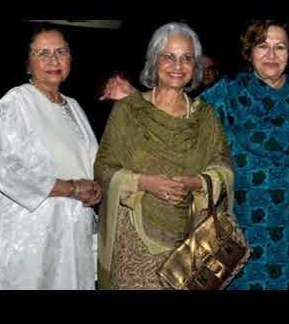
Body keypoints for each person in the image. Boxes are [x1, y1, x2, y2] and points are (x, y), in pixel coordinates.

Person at [101, 19, 289, 290]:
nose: (271, 55)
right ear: (249, 51)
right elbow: (181, 117)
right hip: (236, 232)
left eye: (280, 47)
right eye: (262, 46)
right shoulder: (226, 95)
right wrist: (134, 98)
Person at [94, 22, 234, 290]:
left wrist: (195, 182)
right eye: (168, 56)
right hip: (134, 244)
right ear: (154, 60)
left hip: (190, 243)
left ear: (195, 66)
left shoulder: (205, 117)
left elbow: (224, 170)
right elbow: (103, 169)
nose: (177, 66)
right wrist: (144, 183)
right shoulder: (128, 111)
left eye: (186, 58)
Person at [0, 25, 102, 290]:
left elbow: (92, 164)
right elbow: (5, 169)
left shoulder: (74, 106)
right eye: (42, 53)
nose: (53, 60)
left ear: (70, 59)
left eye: (60, 52)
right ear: (27, 63)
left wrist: (94, 188)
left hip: (74, 231)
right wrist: (72, 188)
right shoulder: (15, 102)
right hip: (34, 236)